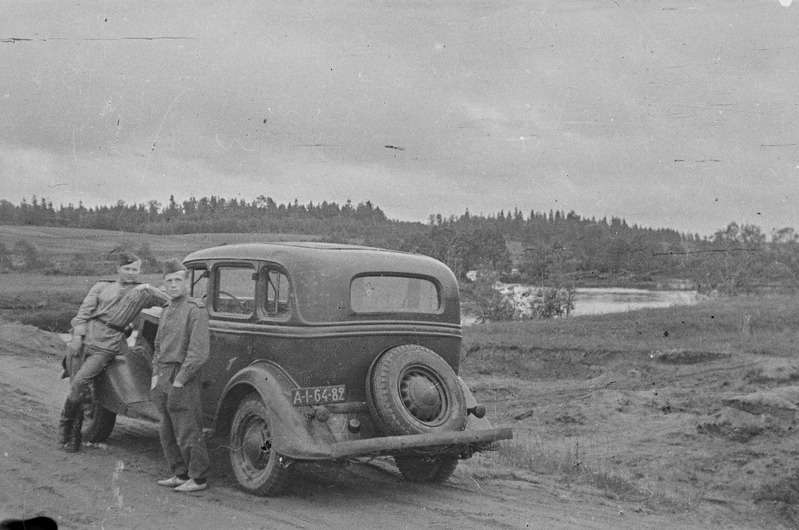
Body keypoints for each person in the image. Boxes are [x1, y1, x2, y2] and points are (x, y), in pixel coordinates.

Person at [60, 251, 167, 453]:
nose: (131, 273)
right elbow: (83, 313)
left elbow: (169, 301)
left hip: (106, 345)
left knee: (81, 383)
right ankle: (69, 435)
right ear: (118, 269)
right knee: (76, 389)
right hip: (82, 341)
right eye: (127, 269)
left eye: (135, 269)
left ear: (140, 271)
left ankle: (67, 432)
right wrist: (76, 337)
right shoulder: (102, 286)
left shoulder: (143, 292)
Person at [151, 258, 211, 493]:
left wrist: (180, 379)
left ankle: (198, 479)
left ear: (186, 282)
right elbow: (157, 344)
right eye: (169, 281)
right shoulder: (166, 309)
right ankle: (179, 473)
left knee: (187, 429)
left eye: (178, 280)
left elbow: (198, 353)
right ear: (163, 283)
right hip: (164, 373)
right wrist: (156, 375)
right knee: (166, 429)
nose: (173, 285)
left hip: (181, 375)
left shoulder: (195, 310)